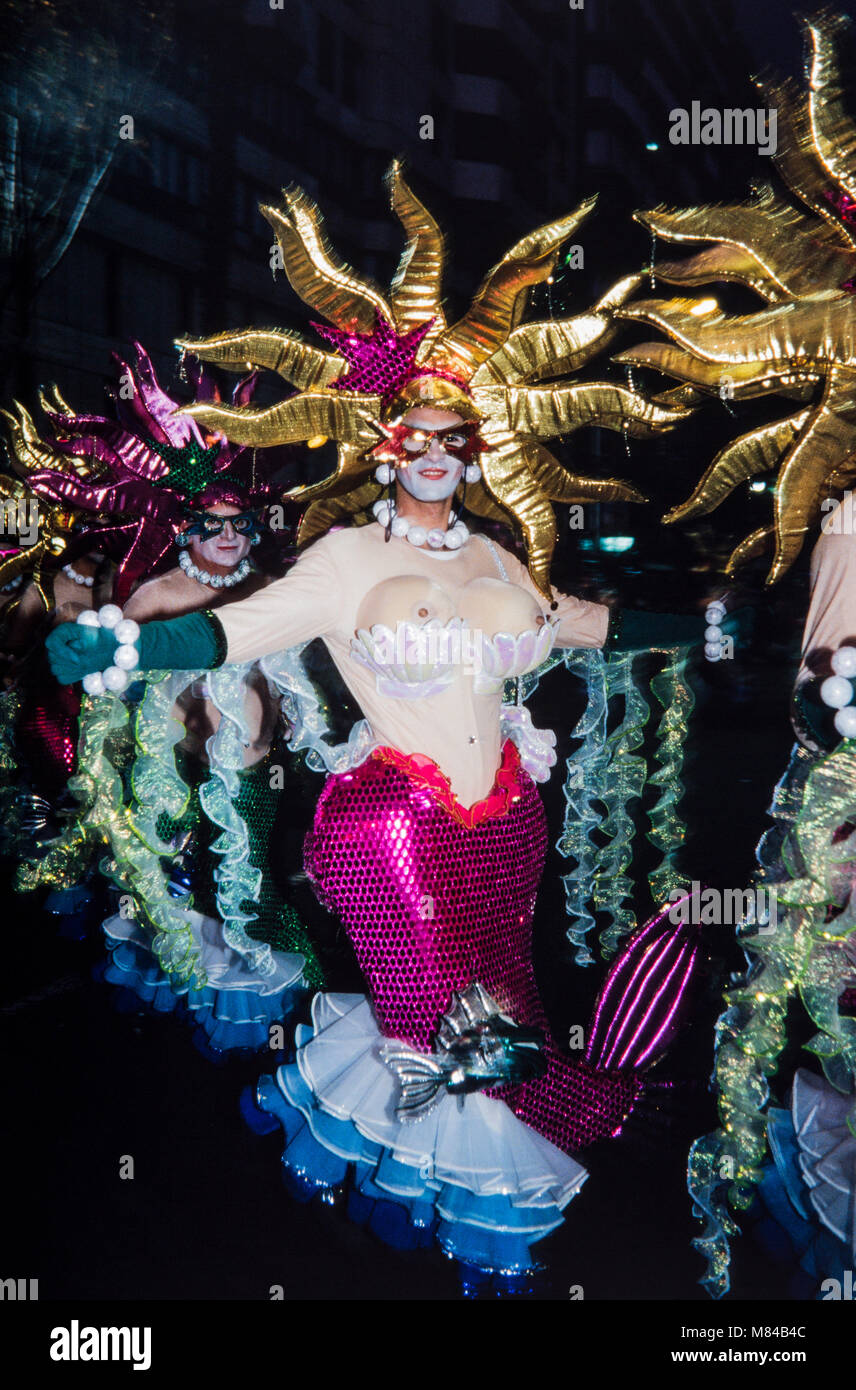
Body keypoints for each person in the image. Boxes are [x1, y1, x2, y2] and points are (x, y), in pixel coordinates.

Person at [47, 167, 712, 1275]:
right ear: (383, 444)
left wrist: (687, 629)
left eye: (455, 430)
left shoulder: (500, 556)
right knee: (461, 1041)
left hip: (505, 824)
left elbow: (574, 622)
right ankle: (477, 1239)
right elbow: (235, 630)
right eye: (416, 430)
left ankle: (469, 1219)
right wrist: (123, 643)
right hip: (390, 830)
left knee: (505, 1022)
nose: (437, 448)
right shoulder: (346, 557)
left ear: (477, 442)